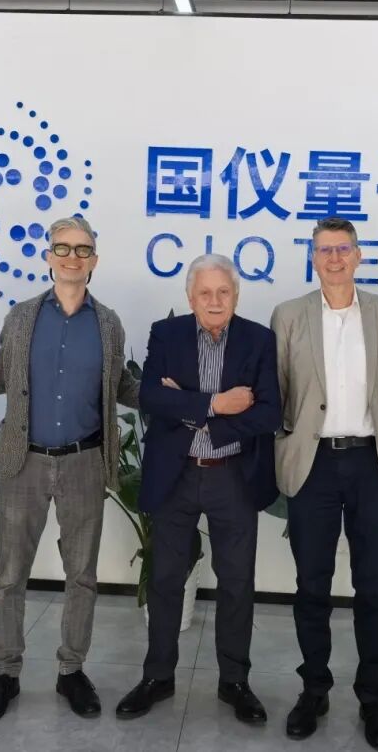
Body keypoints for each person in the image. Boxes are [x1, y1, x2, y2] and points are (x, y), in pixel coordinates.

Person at [0, 216, 139, 723]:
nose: (72, 257)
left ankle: (72, 670)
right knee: (10, 575)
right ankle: (6, 673)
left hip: (85, 461)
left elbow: (120, 386)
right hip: (23, 460)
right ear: (49, 256)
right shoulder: (22, 316)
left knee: (82, 575)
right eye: (62, 248)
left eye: (82, 249)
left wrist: (174, 396)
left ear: (94, 260)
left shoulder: (108, 323)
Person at [115, 254, 281, 726]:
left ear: (236, 296)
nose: (214, 300)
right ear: (190, 297)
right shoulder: (166, 334)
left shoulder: (258, 339)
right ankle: (157, 677)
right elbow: (152, 397)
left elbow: (268, 412)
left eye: (223, 292)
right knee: (166, 579)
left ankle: (235, 682)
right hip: (177, 475)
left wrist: (190, 408)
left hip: (232, 476)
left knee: (237, 583)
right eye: (205, 293)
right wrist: (218, 404)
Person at [270, 217, 378, 748]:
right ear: (312, 257)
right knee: (312, 584)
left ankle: (372, 698)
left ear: (358, 255)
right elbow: (277, 390)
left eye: (343, 248)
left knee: (374, 587)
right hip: (315, 464)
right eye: (324, 250)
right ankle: (314, 690)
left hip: (373, 464)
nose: (334, 258)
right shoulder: (289, 315)